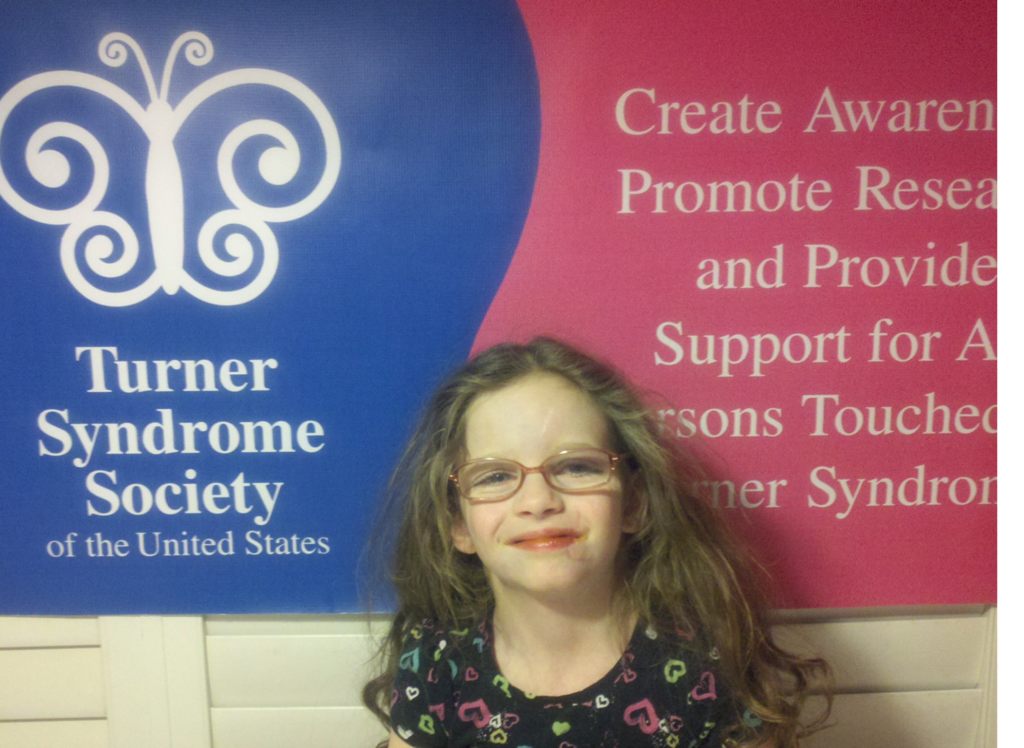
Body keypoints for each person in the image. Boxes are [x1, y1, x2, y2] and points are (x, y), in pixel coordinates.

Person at [362, 338, 830, 747]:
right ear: (457, 525)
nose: (538, 501)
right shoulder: (437, 658)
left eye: (577, 467)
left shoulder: (709, 665)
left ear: (634, 504)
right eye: (495, 476)